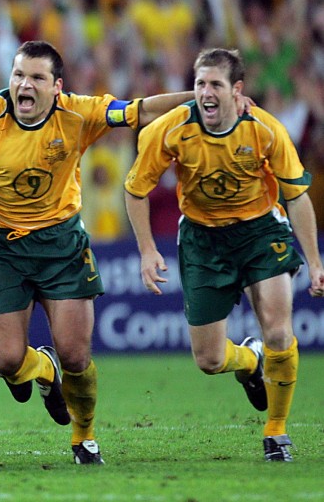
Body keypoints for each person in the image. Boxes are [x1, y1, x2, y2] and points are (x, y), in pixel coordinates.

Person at [0, 40, 197, 465]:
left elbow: (140, 110)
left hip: (60, 245)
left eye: (36, 78)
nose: (24, 85)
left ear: (57, 86)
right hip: (0, 249)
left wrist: (198, 98)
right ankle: (43, 370)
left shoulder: (78, 112)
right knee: (6, 360)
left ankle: (83, 436)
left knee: (76, 355)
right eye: (18, 75)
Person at [124, 47, 324, 463]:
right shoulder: (172, 129)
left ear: (237, 91)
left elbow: (296, 195)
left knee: (278, 331)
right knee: (210, 360)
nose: (205, 93)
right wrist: (146, 249)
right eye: (199, 84)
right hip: (202, 238)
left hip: (259, 230)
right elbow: (136, 188)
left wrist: (316, 261)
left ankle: (276, 431)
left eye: (215, 84)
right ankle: (249, 361)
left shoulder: (264, 130)